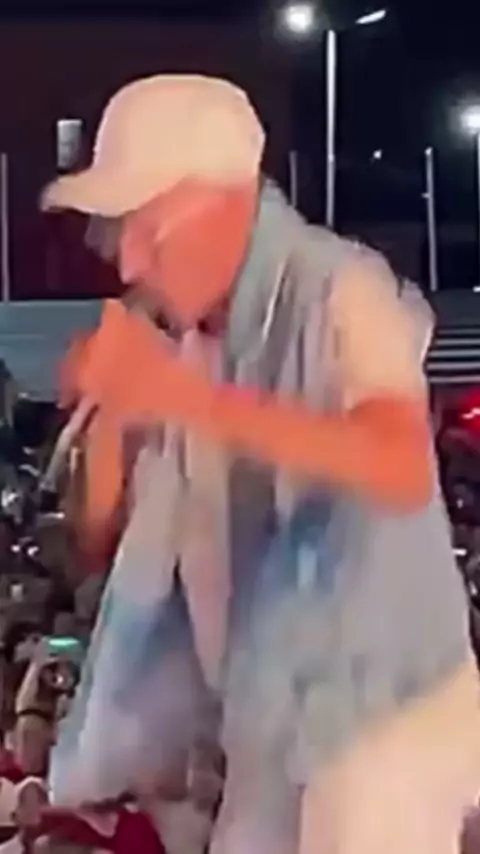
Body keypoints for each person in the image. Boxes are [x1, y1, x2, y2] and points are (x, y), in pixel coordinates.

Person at [40, 75, 477, 854]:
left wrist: (180, 398)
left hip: (377, 726)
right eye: (117, 233)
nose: (128, 263)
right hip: (265, 736)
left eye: (147, 229)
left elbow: (398, 464)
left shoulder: (343, 290)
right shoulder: (184, 342)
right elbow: (95, 539)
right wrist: (114, 421)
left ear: (223, 203)